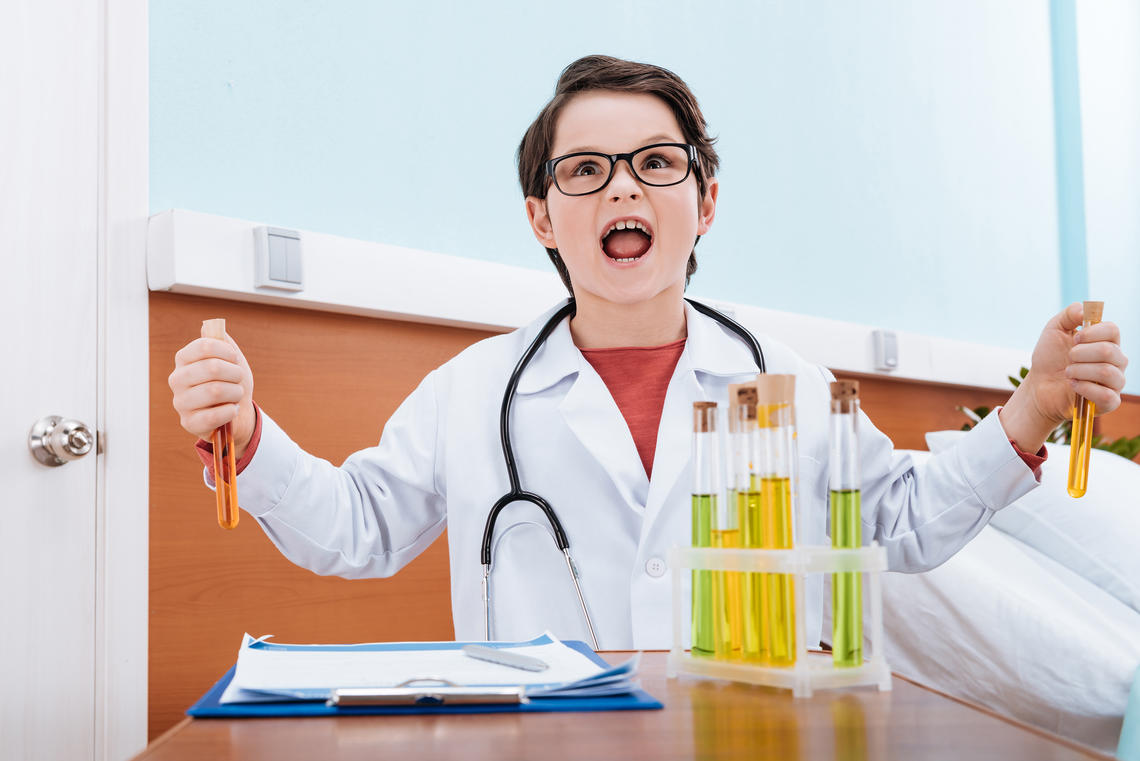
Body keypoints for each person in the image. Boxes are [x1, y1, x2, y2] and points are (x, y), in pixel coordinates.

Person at [168, 55, 1128, 649]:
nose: (623, 188)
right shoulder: (472, 390)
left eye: (657, 162)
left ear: (704, 202)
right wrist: (248, 435)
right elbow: (357, 528)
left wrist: (1036, 405)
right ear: (544, 219)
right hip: (548, 738)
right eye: (585, 170)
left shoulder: (785, 378)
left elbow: (901, 521)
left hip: (742, 729)